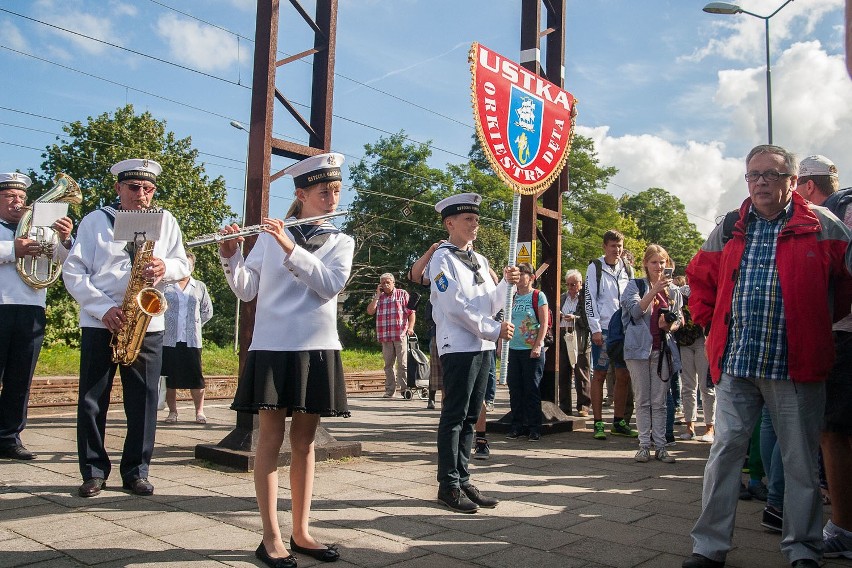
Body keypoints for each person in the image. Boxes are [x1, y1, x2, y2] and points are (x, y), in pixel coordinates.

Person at [682, 145, 852, 568]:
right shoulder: (731, 225)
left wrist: (814, 322)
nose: (760, 182)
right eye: (753, 174)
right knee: (724, 456)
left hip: (796, 365)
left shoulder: (824, 224)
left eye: (771, 175)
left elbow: (846, 288)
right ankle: (708, 548)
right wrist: (711, 323)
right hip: (738, 362)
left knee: (799, 463)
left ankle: (802, 549)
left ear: (792, 182)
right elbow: (700, 277)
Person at [218, 152, 352, 566]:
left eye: (335, 190)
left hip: (315, 346)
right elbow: (245, 289)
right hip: (273, 346)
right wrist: (230, 255)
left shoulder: (341, 241)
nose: (332, 198)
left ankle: (301, 531)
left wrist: (290, 248)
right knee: (269, 442)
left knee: (305, 444)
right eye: (323, 192)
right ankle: (270, 537)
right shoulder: (270, 236)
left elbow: (329, 285)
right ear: (301, 194)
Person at [63, 159, 190, 497]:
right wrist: (103, 309)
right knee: (92, 400)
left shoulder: (166, 221)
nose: (142, 195)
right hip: (101, 321)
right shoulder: (94, 222)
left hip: (147, 323)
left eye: (148, 189)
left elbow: (182, 262)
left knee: (145, 401)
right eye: (134, 188)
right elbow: (73, 272)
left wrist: (165, 267)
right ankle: (93, 471)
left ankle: (137, 471)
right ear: (118, 188)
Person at [427, 192, 518, 513]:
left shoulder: (480, 260)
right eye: (469, 220)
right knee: (454, 416)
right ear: (450, 223)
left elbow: (491, 303)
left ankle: (463, 478)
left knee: (470, 416)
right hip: (458, 345)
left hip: (481, 346)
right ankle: (447, 485)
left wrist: (506, 285)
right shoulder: (441, 260)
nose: (475, 225)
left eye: (477, 220)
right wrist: (493, 330)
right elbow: (454, 306)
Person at [794, 154, 852, 559]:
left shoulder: (825, 214)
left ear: (809, 187)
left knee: (834, 432)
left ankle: (845, 528)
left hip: (842, 332)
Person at [0, 172, 73, 460]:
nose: (17, 202)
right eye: (9, 197)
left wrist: (66, 239)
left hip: (31, 308)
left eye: (21, 197)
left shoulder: (41, 229)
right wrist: (12, 249)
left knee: (21, 379)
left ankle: (9, 438)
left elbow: (67, 263)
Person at [620, 245, 683, 464]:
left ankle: (662, 445)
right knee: (642, 400)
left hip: (662, 349)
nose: (659, 267)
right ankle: (644, 445)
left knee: (660, 401)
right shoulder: (634, 286)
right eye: (654, 262)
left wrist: (669, 325)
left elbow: (680, 320)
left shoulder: (673, 290)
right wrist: (654, 290)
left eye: (662, 262)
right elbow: (636, 312)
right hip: (638, 350)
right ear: (646, 264)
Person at [585, 229, 636, 440]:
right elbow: (590, 299)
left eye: (620, 246)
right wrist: (595, 328)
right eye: (613, 246)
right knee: (600, 374)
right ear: (604, 247)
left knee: (623, 375)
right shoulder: (595, 267)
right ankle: (597, 422)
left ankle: (618, 421)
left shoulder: (628, 269)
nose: (617, 250)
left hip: (623, 330)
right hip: (604, 329)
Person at [161, 251, 213, 425]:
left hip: (192, 339)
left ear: (193, 266)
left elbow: (207, 311)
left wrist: (195, 324)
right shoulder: (166, 285)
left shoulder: (199, 286)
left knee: (196, 377)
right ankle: (172, 412)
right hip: (169, 338)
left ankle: (199, 412)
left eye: (189, 264)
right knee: (170, 377)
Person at [505, 262, 548, 441]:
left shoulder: (538, 296)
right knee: (515, 388)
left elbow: (544, 323)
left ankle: (534, 427)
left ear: (531, 277)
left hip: (531, 349)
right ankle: (517, 425)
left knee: (531, 388)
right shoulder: (511, 297)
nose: (519, 277)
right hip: (513, 349)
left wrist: (538, 345)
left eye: (522, 273)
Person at [675, 279, 716, 443]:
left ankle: (710, 427)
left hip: (702, 341)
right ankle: (689, 426)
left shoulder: (707, 290)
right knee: (688, 386)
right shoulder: (680, 292)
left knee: (706, 387)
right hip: (684, 342)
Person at [366, 273, 415, 398]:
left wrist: (410, 328)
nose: (386, 284)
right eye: (383, 283)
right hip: (385, 336)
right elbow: (370, 311)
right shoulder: (379, 297)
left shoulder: (402, 294)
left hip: (400, 334)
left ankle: (405, 390)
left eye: (388, 282)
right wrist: (377, 295)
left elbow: (411, 312)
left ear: (393, 282)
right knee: (388, 365)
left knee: (403, 364)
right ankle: (389, 390)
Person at [558, 269, 591, 417]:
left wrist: (575, 318)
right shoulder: (562, 298)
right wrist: (559, 315)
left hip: (580, 337)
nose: (571, 288)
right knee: (564, 371)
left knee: (581, 371)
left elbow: (588, 319)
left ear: (580, 284)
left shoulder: (585, 299)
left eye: (574, 284)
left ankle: (583, 405)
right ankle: (564, 406)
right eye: (568, 284)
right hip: (563, 335)